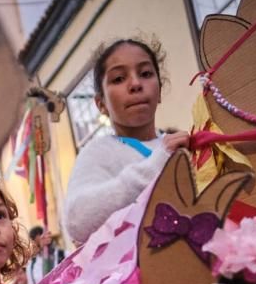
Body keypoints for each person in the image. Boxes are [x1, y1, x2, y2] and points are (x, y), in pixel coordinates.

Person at [62, 37, 190, 246]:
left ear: (160, 89)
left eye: (146, 74)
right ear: (101, 103)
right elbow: (77, 221)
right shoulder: (100, 152)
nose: (136, 84)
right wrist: (154, 166)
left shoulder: (181, 144)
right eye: (119, 78)